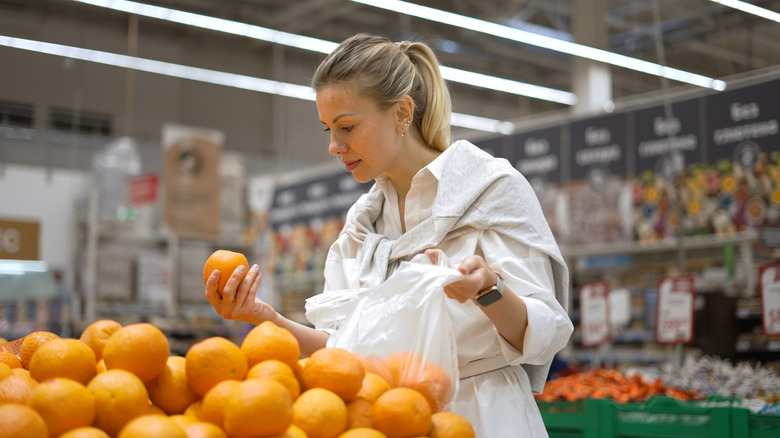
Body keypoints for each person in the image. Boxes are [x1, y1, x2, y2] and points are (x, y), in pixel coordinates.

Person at [205, 33, 573, 437]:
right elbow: (342, 348)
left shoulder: (490, 190)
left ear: (402, 113)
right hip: (385, 419)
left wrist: (489, 288)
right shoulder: (361, 225)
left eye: (346, 126)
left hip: (482, 416)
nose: (333, 145)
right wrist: (265, 317)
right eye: (327, 128)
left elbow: (546, 331)